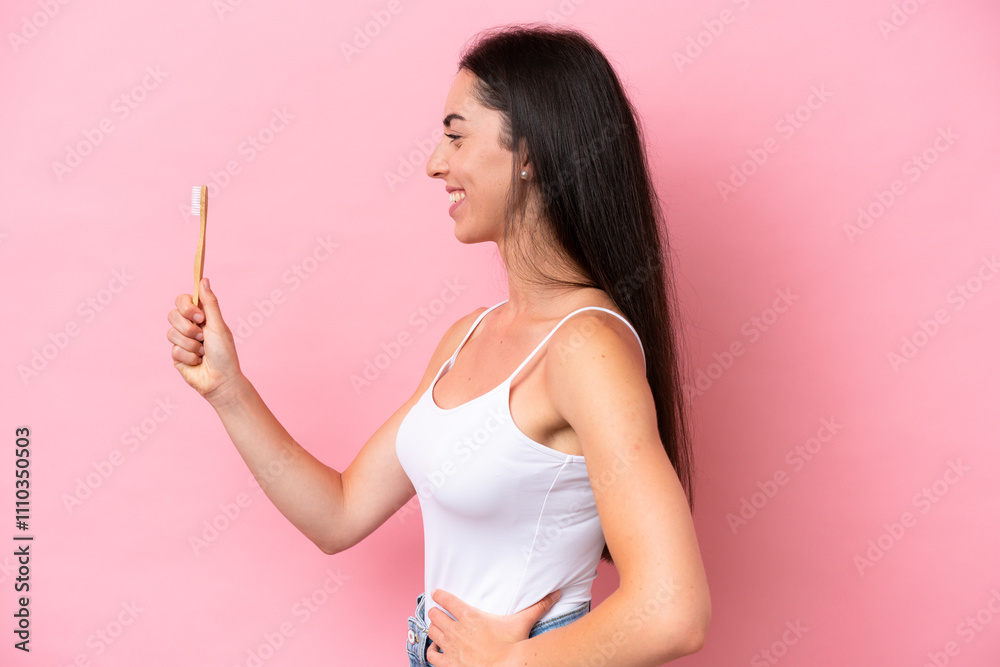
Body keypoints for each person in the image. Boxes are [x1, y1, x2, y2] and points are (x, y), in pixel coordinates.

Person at [167, 23, 710, 667]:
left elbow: (675, 608)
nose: (434, 163)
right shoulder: (469, 337)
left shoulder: (585, 347)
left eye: (456, 135)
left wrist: (513, 662)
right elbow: (338, 514)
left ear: (530, 150)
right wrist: (229, 390)